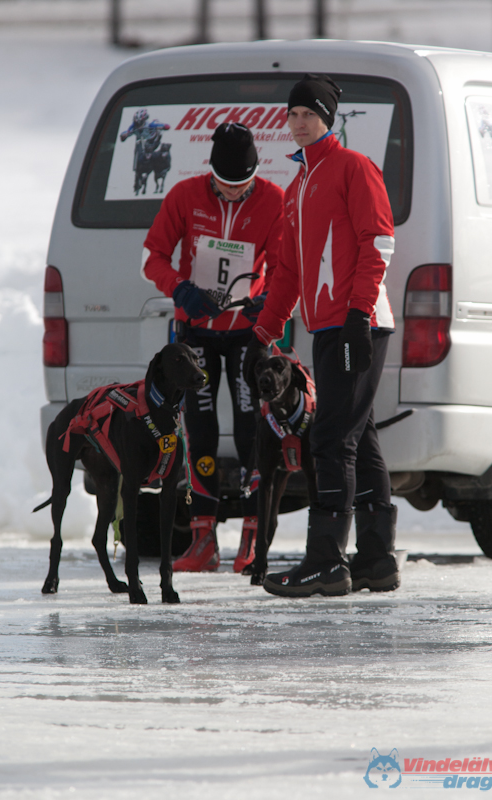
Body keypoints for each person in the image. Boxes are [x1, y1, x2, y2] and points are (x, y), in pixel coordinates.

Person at [244, 74, 399, 597]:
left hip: (360, 322)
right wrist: (263, 331)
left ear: (328, 118)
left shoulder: (353, 168)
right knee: (359, 434)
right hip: (329, 325)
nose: (299, 123)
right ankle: (376, 559)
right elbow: (286, 271)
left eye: (309, 114)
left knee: (330, 437)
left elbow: (377, 240)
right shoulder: (296, 188)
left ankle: (326, 560)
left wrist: (358, 314)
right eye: (292, 115)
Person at [142, 122, 284, 572]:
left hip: (246, 332)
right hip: (197, 331)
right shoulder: (185, 195)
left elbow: (285, 266)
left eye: (242, 185)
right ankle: (202, 539)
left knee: (249, 429)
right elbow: (154, 259)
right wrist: (180, 289)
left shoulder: (274, 201)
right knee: (199, 430)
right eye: (224, 184)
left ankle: (252, 538)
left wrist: (267, 298)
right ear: (210, 172)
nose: (232, 193)